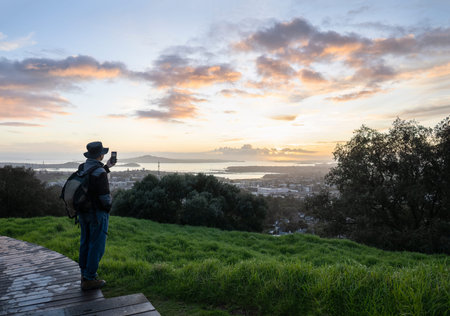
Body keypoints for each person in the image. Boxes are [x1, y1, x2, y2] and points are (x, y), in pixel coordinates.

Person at [78, 141, 116, 291]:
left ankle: (84, 274)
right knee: (97, 245)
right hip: (97, 214)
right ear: (101, 155)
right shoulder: (99, 172)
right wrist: (108, 208)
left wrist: (107, 167)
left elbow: (91, 181)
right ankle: (89, 278)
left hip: (83, 211)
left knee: (85, 242)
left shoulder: (82, 167)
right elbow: (105, 198)